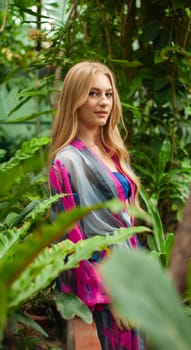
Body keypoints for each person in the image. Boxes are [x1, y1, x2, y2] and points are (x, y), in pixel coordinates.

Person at [49, 61, 144, 349]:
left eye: (108, 94)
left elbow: (126, 222)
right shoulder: (66, 162)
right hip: (103, 286)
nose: (103, 102)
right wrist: (112, 298)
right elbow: (73, 239)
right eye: (92, 93)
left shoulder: (113, 153)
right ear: (74, 100)